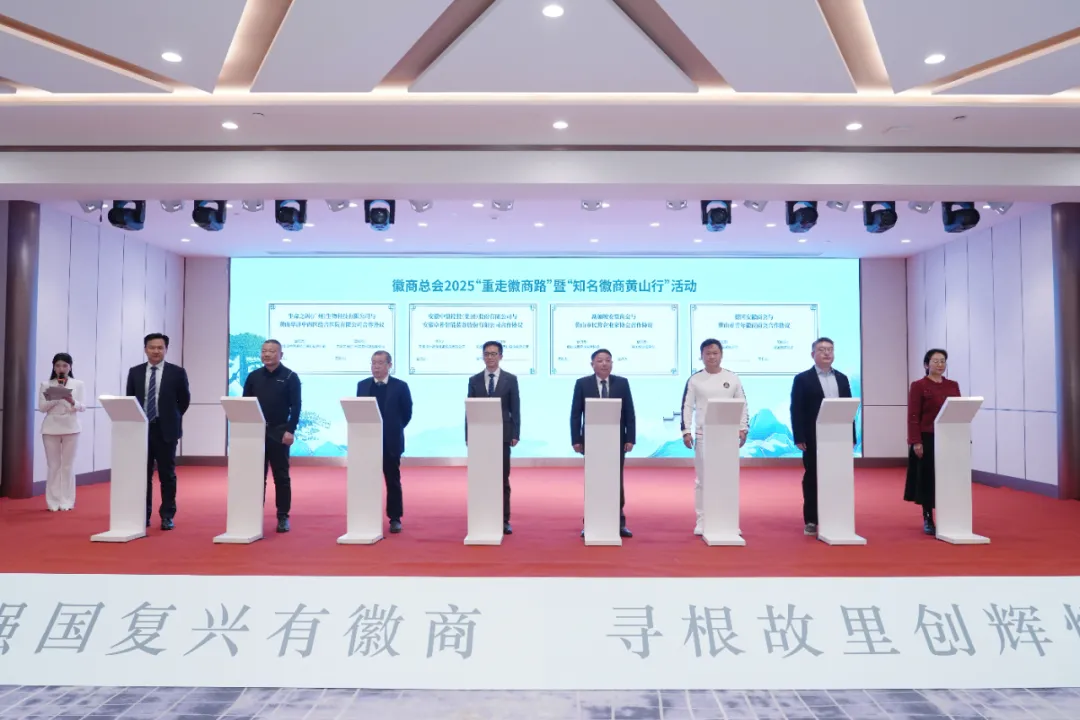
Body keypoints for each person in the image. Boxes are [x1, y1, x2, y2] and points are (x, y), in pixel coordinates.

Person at [681, 339, 749, 536]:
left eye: (715, 353)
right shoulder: (695, 380)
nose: (711, 357)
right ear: (701, 356)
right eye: (707, 353)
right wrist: (686, 430)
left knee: (728, 479)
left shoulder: (732, 378)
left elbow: (742, 404)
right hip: (704, 436)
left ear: (721, 355)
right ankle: (702, 520)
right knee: (703, 480)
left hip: (727, 436)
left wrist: (743, 428)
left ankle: (729, 520)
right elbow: (687, 406)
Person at [789, 337, 856, 536]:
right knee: (813, 477)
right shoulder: (802, 379)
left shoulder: (842, 378)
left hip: (839, 436)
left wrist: (851, 434)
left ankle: (836, 515)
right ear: (813, 354)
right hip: (813, 436)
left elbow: (849, 408)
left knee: (838, 475)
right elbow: (796, 409)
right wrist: (799, 436)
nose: (827, 353)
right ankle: (811, 519)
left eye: (830, 349)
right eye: (822, 349)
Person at [125, 333, 190, 530]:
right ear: (145, 349)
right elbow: (130, 399)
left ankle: (167, 515)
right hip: (141, 429)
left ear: (166, 349)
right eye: (152, 347)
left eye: (160, 348)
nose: (156, 351)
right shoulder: (135, 372)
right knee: (142, 474)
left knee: (167, 474)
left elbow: (184, 401)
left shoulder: (177, 372)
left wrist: (170, 417)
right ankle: (142, 514)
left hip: (166, 430)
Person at [570, 348, 635, 538]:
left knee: (616, 479)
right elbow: (576, 413)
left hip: (617, 440)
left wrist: (630, 438)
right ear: (592, 365)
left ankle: (619, 522)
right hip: (591, 440)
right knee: (594, 480)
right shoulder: (582, 383)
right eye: (600, 361)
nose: (604, 364)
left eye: (608, 360)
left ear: (612, 363)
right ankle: (591, 521)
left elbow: (629, 412)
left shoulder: (622, 383)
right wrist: (576, 439)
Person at [243, 339, 301, 533]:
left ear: (280, 355)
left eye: (271, 351)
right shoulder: (253, 376)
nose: (267, 354)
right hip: (255, 433)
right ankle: (253, 514)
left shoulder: (290, 377)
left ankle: (283, 516)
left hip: (279, 432)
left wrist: (290, 430)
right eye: (264, 351)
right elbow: (245, 404)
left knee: (281, 476)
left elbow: (296, 406)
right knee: (256, 476)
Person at [905, 348, 961, 535]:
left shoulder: (953, 385)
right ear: (926, 364)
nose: (940, 364)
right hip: (927, 437)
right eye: (935, 361)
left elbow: (958, 410)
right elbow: (913, 415)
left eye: (943, 361)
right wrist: (916, 441)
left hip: (949, 437)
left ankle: (950, 514)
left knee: (949, 477)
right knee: (928, 478)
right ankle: (928, 516)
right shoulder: (919, 385)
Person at [466, 341, 521, 535]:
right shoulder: (474, 380)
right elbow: (469, 409)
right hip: (480, 435)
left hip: (503, 435)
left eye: (494, 354)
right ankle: (482, 515)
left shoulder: (510, 379)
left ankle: (504, 519)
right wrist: (468, 434)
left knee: (502, 478)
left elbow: (515, 408)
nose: (490, 357)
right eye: (487, 354)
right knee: (481, 477)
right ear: (482, 356)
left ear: (501, 356)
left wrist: (516, 433)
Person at [357, 351, 413, 534]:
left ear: (389, 365)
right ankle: (367, 516)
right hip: (368, 441)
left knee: (392, 480)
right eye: (373, 363)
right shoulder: (362, 385)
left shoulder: (400, 386)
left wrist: (393, 429)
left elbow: (407, 413)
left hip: (391, 442)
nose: (376, 366)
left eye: (380, 363)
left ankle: (395, 518)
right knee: (367, 481)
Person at [38, 352, 86, 512]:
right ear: (53, 367)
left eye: (65, 365)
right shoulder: (46, 384)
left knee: (67, 465)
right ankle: (52, 501)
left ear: (70, 367)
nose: (61, 368)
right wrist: (57, 394)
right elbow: (42, 408)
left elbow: (82, 407)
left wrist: (72, 401)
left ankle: (67, 500)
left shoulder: (78, 384)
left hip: (71, 427)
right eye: (58, 365)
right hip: (50, 427)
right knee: (53, 466)